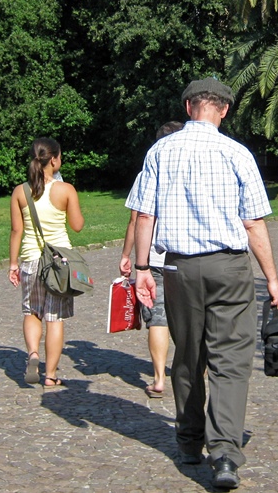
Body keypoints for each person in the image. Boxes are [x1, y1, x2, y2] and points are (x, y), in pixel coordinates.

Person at [128, 78, 278, 490]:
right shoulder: (238, 153)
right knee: (231, 361)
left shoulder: (160, 151)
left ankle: (188, 440)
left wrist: (142, 268)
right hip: (230, 268)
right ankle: (226, 455)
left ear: (188, 106)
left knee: (189, 354)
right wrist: (271, 278)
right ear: (224, 110)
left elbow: (145, 216)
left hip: (178, 268)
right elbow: (252, 222)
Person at [8, 138, 84, 387]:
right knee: (54, 318)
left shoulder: (20, 191)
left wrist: (12, 265)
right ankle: (50, 375)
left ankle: (33, 354)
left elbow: (16, 231)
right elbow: (77, 226)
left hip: (30, 259)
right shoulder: (66, 190)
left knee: (32, 312)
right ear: (53, 160)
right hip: (58, 262)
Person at [119, 120, 184, 399]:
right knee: (191, 317)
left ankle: (159, 379)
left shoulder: (147, 174)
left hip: (153, 258)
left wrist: (127, 256)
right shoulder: (192, 172)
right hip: (185, 256)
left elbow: (136, 220)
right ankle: (198, 370)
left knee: (158, 318)